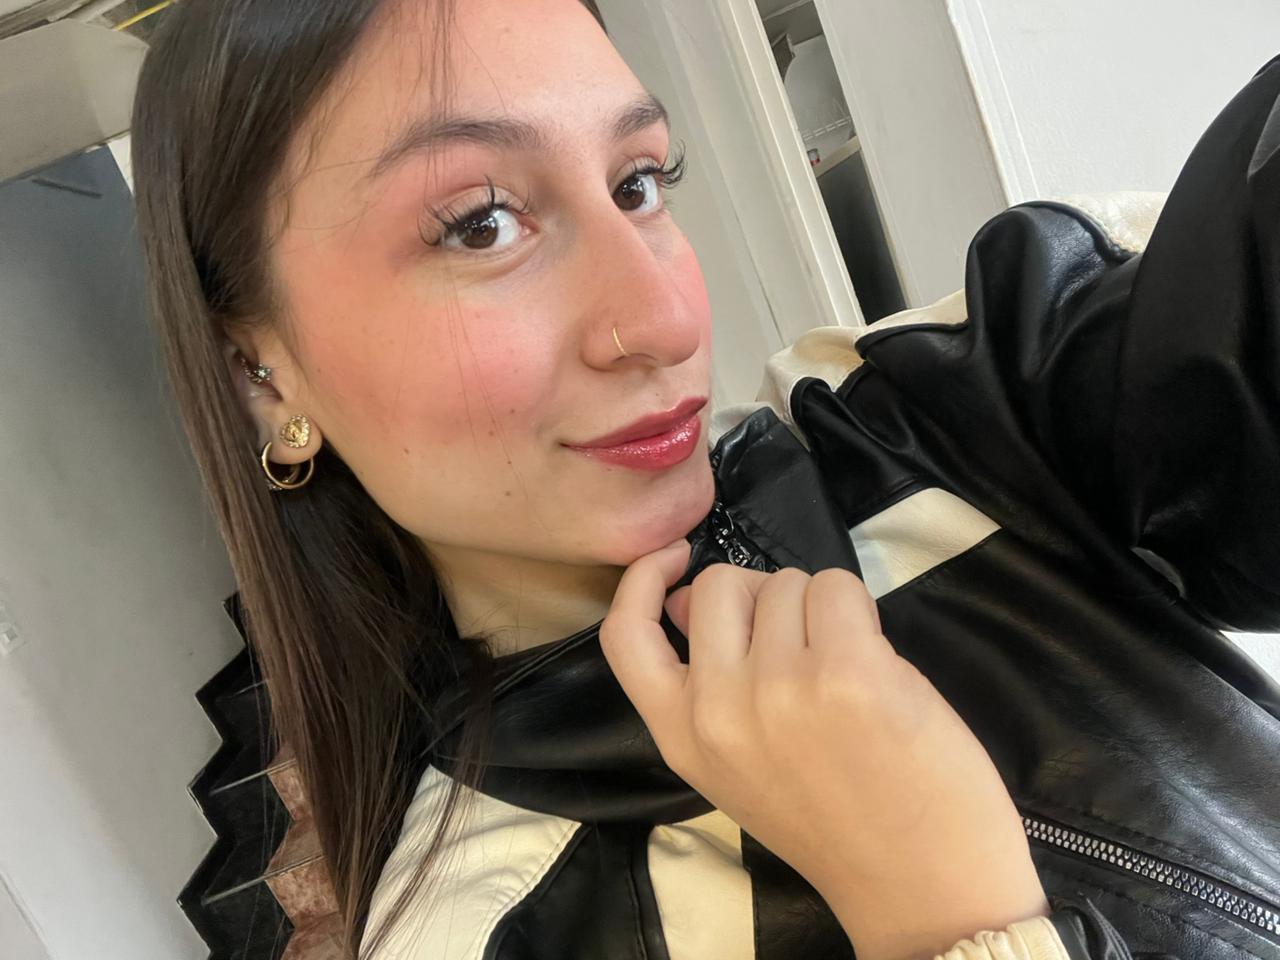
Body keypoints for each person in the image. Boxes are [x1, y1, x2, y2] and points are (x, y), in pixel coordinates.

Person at [128, 0, 1280, 957]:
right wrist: (945, 918)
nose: (665, 319)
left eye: (637, 183)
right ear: (256, 375)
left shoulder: (928, 420)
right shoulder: (484, 934)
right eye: (479, 225)